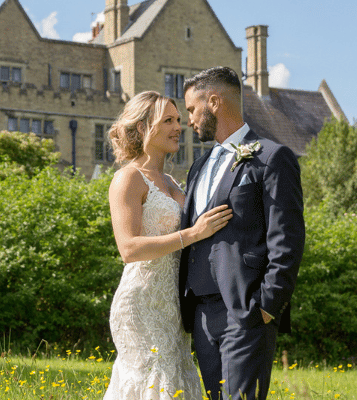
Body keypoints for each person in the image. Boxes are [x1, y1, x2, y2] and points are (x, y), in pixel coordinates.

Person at [178, 66, 305, 400]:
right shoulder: (198, 168)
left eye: (192, 109)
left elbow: (287, 240)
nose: (189, 120)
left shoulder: (272, 157)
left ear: (215, 102)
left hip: (246, 310)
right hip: (202, 314)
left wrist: (266, 306)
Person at [104, 90, 233, 400]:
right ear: (142, 128)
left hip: (174, 306)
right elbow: (129, 249)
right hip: (142, 303)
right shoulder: (128, 179)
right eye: (168, 121)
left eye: (178, 119)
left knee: (177, 383)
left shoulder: (174, 183)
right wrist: (193, 233)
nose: (179, 127)